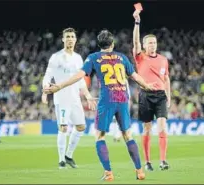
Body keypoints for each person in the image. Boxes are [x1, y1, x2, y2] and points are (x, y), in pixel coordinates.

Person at [43, 29, 159, 181]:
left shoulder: (94, 58)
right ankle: (139, 171)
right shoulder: (122, 57)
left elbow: (79, 75)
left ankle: (108, 173)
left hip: (107, 99)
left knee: (99, 136)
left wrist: (59, 86)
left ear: (99, 44)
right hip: (123, 99)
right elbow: (135, 76)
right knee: (128, 135)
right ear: (112, 43)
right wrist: (147, 86)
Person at [42, 27, 96, 169]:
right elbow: (48, 76)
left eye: (72, 36)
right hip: (61, 97)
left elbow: (80, 80)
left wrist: (88, 95)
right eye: (68, 37)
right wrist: (45, 91)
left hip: (75, 98)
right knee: (63, 127)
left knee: (81, 126)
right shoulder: (56, 57)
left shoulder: (78, 58)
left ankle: (69, 155)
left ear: (75, 39)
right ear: (63, 39)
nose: (70, 39)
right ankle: (61, 160)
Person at [132, 10, 171, 171]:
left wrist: (168, 96)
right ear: (144, 45)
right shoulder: (140, 57)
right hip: (145, 95)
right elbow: (135, 42)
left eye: (154, 43)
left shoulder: (163, 60)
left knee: (162, 126)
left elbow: (167, 78)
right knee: (147, 128)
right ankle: (147, 162)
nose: (152, 45)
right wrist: (137, 23)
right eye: (149, 43)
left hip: (161, 95)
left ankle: (163, 161)